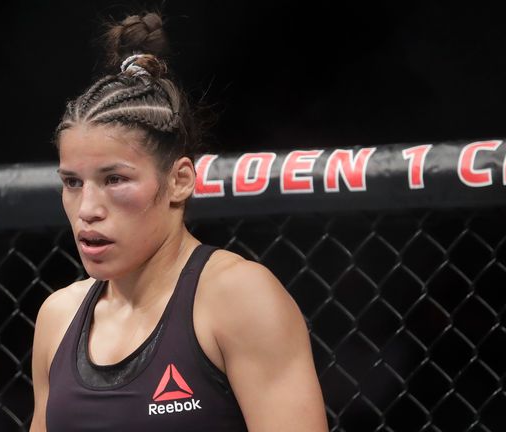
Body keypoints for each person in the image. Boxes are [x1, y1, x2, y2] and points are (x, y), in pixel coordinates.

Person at [30, 11, 328, 432]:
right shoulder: (58, 316)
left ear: (180, 181)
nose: (87, 208)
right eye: (73, 182)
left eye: (115, 179)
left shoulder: (237, 298)